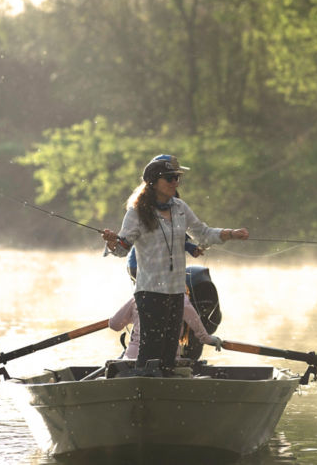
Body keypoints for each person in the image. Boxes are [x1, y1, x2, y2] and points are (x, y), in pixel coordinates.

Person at [102, 154, 248, 374]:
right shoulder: (136, 213)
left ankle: (165, 386)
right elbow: (122, 249)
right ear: (153, 181)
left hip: (176, 292)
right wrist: (113, 242)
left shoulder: (180, 207)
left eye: (177, 178)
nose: (175, 183)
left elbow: (203, 233)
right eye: (169, 178)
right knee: (150, 350)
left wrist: (230, 234)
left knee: (170, 351)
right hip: (149, 292)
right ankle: (144, 385)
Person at [108, 287, 222, 361]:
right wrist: (211, 339)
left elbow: (114, 324)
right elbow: (202, 335)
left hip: (132, 360)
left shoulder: (138, 297)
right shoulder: (181, 300)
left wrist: (132, 316)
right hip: (167, 361)